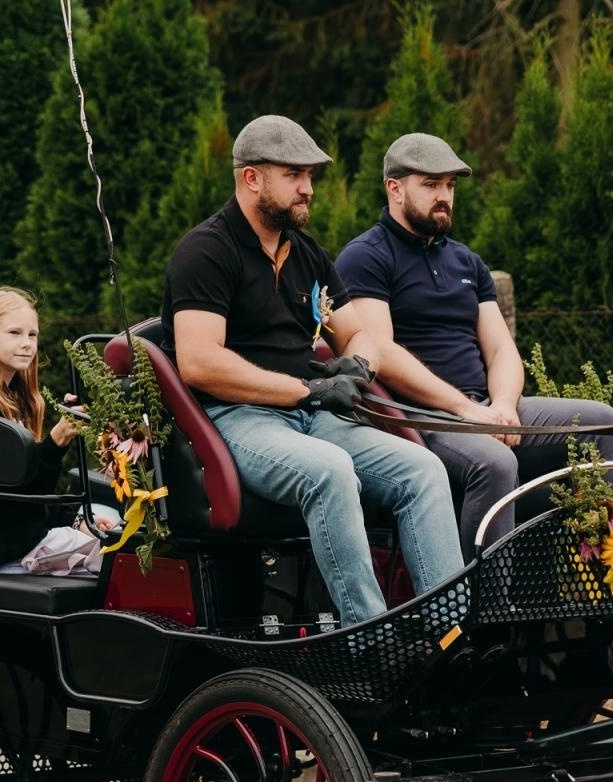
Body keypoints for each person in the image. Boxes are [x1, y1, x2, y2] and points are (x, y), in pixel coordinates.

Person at [161, 115, 463, 627]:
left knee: (424, 469)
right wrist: (309, 388)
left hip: (312, 415)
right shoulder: (204, 251)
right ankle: (367, 639)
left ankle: (451, 633)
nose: (309, 189)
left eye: (311, 177)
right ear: (251, 178)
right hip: (237, 419)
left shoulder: (306, 253)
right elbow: (199, 362)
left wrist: (358, 365)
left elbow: (360, 331)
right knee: (330, 472)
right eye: (295, 176)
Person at [335, 132, 613, 560]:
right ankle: (483, 611)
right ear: (394, 188)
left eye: (450, 185)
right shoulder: (366, 257)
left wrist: (501, 406)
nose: (444, 195)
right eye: (430, 185)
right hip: (420, 419)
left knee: (601, 423)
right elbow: (381, 354)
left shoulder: (466, 262)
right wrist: (467, 412)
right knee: (495, 462)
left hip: (483, 407)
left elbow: (502, 350)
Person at [0, 287, 116, 574]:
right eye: (14, 333)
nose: (26, 343)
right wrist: (57, 440)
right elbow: (12, 498)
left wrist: (74, 520)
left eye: (32, 334)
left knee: (108, 519)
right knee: (116, 551)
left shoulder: (13, 396)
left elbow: (27, 494)